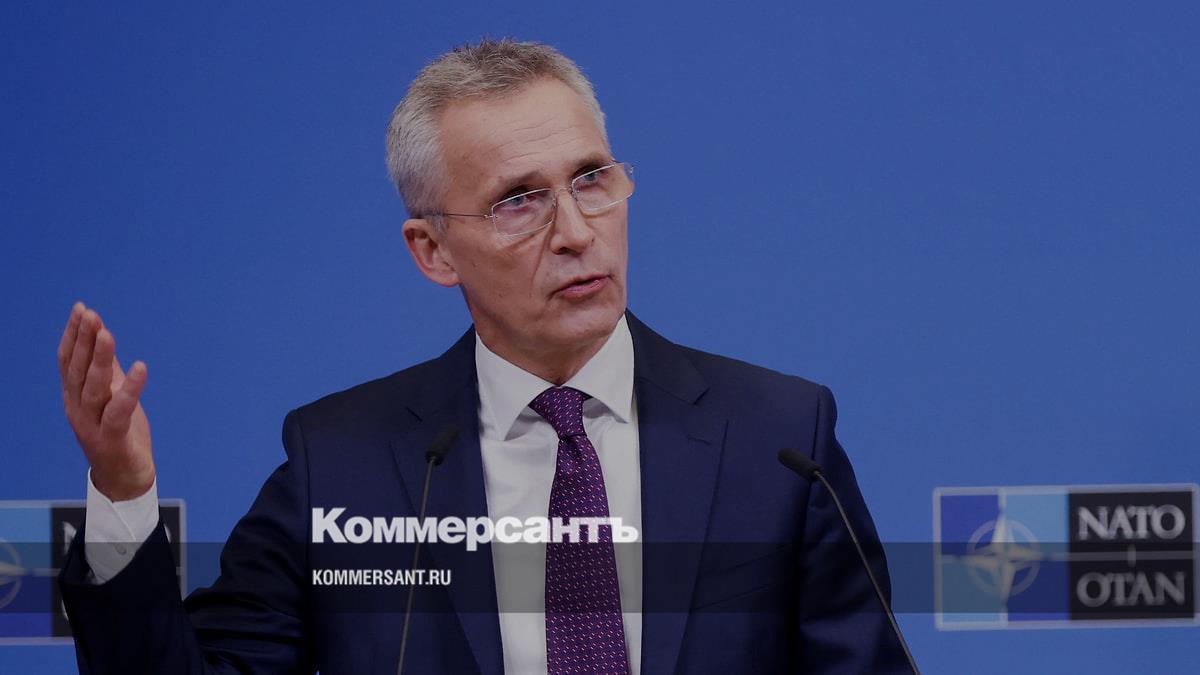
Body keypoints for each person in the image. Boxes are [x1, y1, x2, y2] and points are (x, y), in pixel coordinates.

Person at [56, 39, 910, 674]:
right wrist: (124, 495)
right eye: (519, 201)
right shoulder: (344, 463)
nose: (575, 231)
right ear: (432, 251)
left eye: (591, 179)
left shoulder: (778, 438)